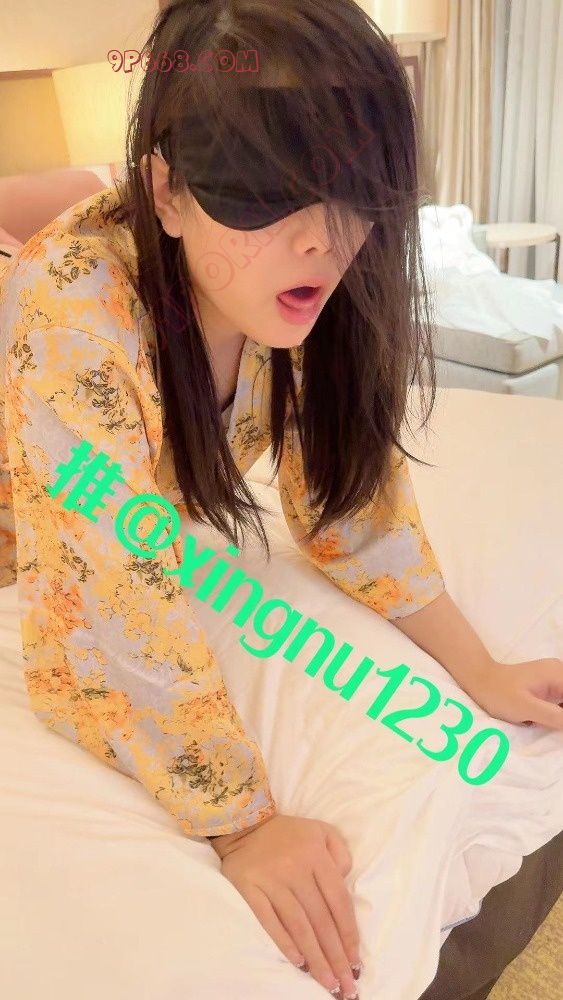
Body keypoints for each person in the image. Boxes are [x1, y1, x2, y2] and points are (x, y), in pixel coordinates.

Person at [0, 2, 562, 998]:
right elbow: (99, 592)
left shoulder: (309, 283)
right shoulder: (71, 304)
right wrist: (241, 821)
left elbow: (351, 501)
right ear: (167, 191)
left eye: (353, 189)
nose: (320, 240)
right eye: (261, 191)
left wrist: (477, 666)